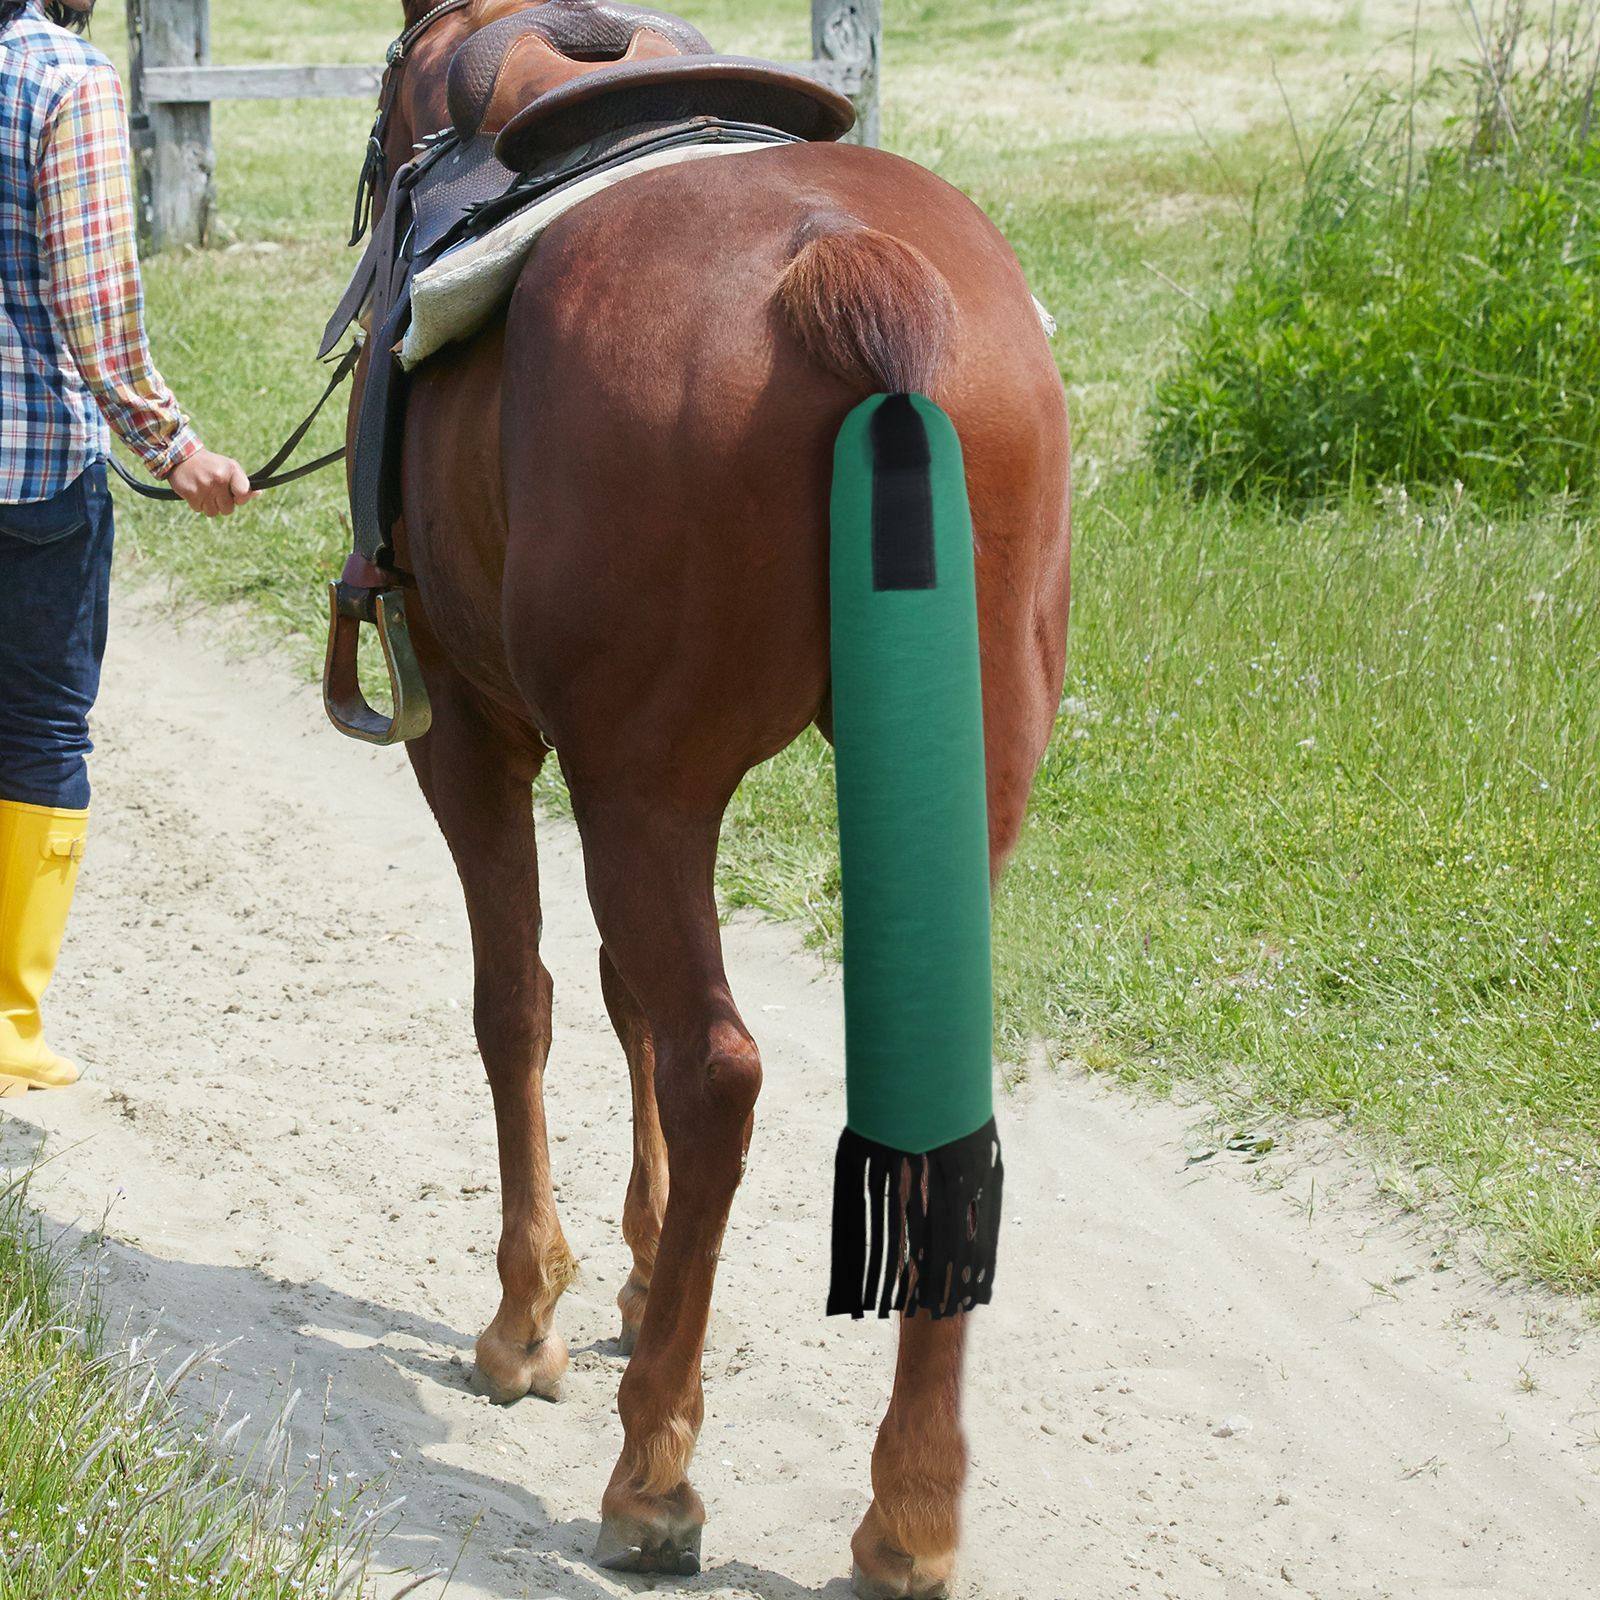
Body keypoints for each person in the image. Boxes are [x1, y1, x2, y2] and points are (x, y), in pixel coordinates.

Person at [1, 0, 253, 1096]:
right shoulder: (61, 77)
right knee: (42, 725)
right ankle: (9, 1019)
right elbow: (92, 298)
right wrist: (173, 445)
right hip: (27, 470)